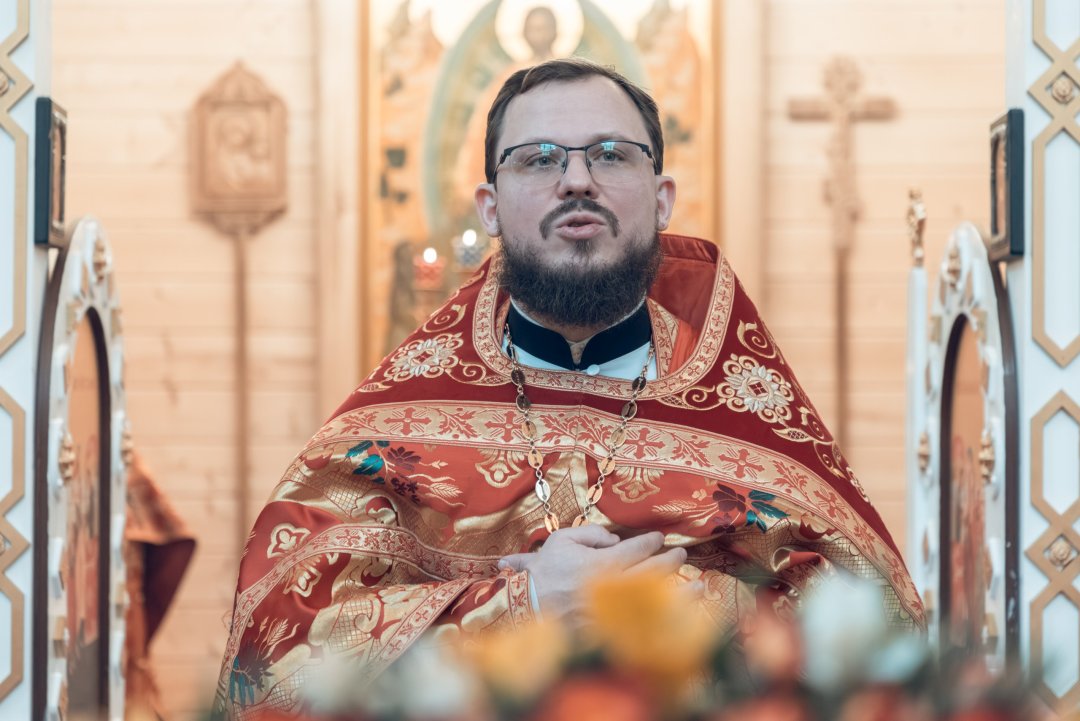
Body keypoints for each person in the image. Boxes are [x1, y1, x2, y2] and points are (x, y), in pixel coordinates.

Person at [213, 58, 923, 717]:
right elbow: (279, 659)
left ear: (662, 198)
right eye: (538, 158)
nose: (577, 180)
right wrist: (519, 603)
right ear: (490, 207)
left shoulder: (747, 414)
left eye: (611, 154)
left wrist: (691, 606)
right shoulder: (387, 434)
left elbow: (877, 642)